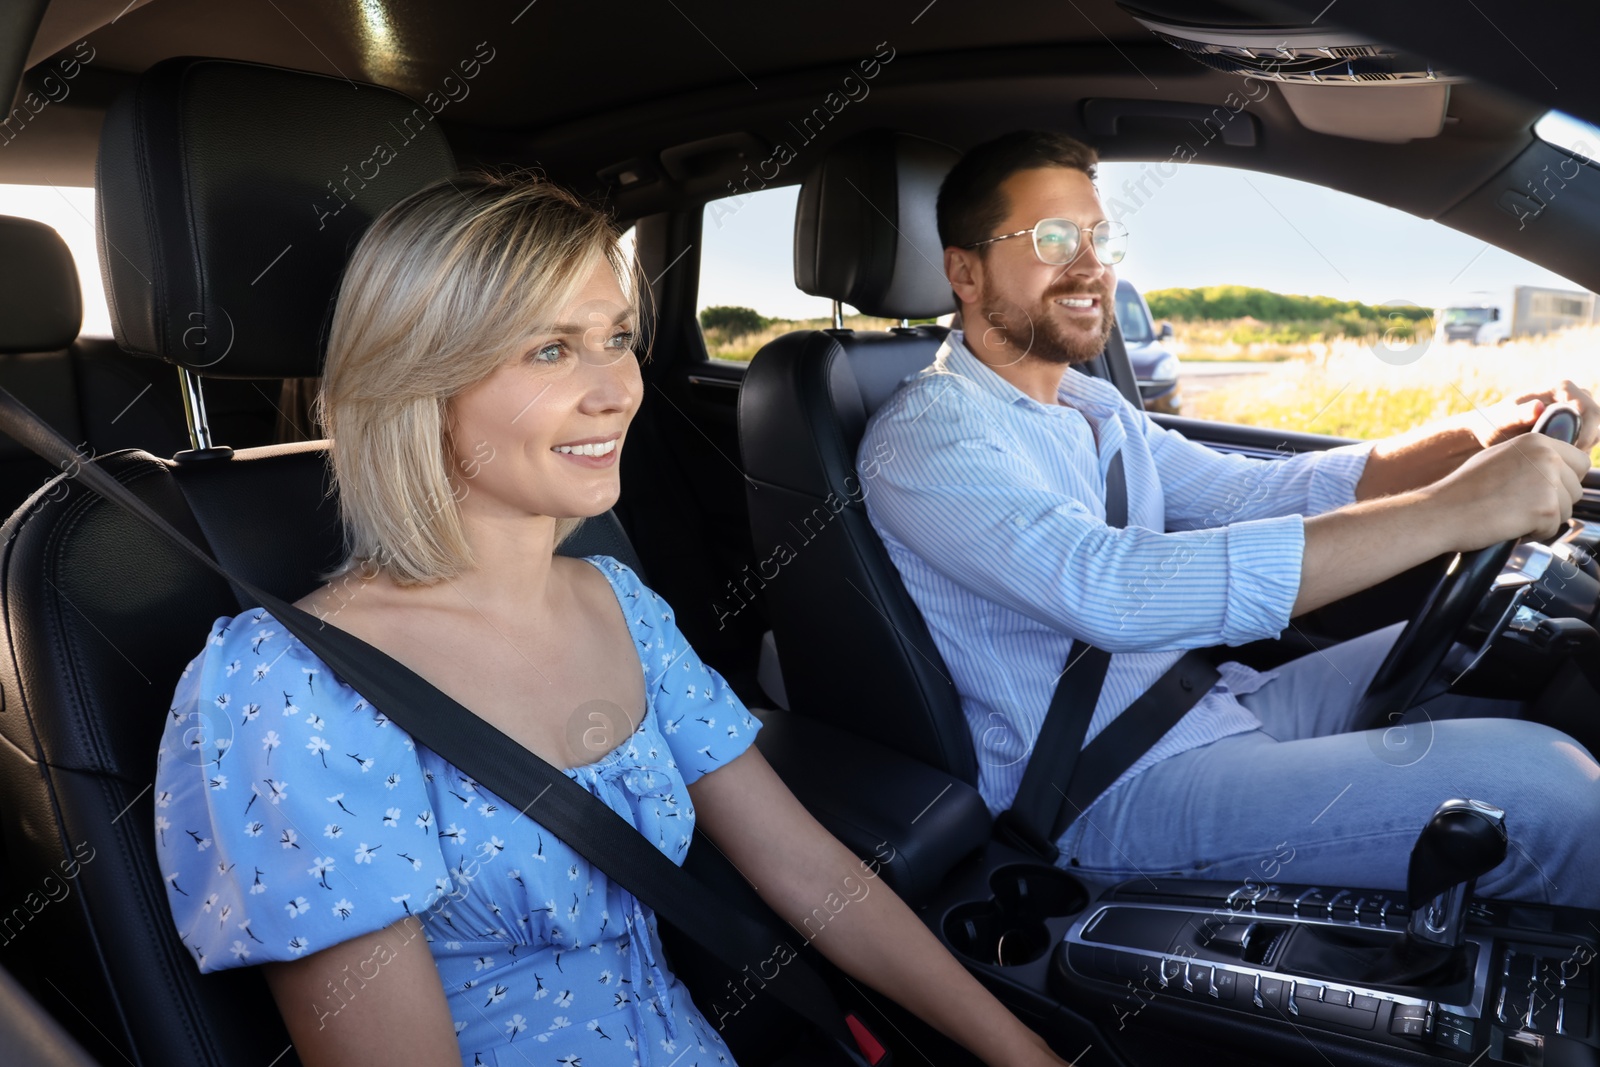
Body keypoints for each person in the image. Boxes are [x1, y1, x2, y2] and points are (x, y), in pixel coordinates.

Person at [154, 174, 1073, 1067]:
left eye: (617, 337)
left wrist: (1021, 1050)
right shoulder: (290, 684)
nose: (616, 389)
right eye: (550, 349)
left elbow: (810, 871)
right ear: (419, 384)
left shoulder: (616, 600)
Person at [857, 129, 1600, 906]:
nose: (1091, 264)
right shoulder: (928, 436)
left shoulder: (1091, 403)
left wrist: (1478, 435)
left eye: (1102, 237)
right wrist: (1453, 510)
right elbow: (1114, 591)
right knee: (1550, 791)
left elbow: (1253, 494)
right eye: (1052, 238)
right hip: (1105, 787)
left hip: (1205, 707)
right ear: (964, 272)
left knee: (1496, 642)